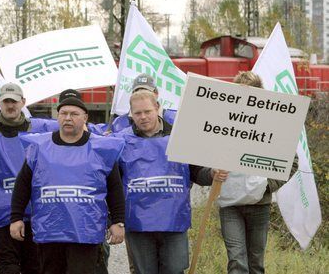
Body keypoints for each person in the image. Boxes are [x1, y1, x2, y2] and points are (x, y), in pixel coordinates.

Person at [10, 89, 126, 274]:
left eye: (74, 114)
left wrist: (118, 221)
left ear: (85, 117)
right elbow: (22, 185)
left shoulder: (102, 148)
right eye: (63, 113)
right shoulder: (39, 147)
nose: (68, 118)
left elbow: (115, 188)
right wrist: (16, 217)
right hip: (50, 231)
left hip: (85, 231)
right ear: (58, 117)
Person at [114, 89, 228, 274]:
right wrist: (116, 220)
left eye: (147, 111)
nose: (143, 117)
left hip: (173, 221)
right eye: (137, 113)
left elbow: (196, 172)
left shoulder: (180, 137)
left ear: (157, 108)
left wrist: (212, 174)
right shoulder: (120, 142)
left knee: (175, 270)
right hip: (138, 224)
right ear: (131, 114)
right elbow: (114, 184)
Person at [0, 82, 58, 274]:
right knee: (7, 267)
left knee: (34, 267)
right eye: (6, 101)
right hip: (2, 216)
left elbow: (74, 127)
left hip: (36, 215)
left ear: (23, 102)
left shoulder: (42, 132)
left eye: (15, 101)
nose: (10, 105)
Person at [217, 71, 289, 274]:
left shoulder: (273, 125)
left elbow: (291, 161)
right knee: (237, 261)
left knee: (256, 264)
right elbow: (204, 156)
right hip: (230, 205)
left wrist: (269, 185)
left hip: (259, 205)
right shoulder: (220, 123)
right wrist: (211, 172)